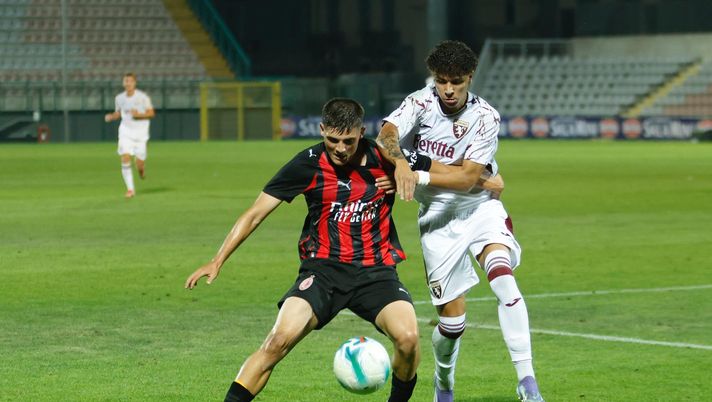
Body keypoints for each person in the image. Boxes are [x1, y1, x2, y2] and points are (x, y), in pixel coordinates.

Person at [185, 98, 421, 402]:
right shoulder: (307, 163)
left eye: (348, 141)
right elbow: (256, 212)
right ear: (322, 130)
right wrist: (217, 260)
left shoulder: (385, 158)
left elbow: (446, 173)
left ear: (361, 133)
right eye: (332, 140)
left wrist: (407, 171)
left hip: (376, 273)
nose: (340, 148)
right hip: (322, 272)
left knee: (409, 339)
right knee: (276, 342)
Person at [375, 40, 545, 402]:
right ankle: (444, 382)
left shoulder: (485, 117)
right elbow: (386, 135)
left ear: (470, 77)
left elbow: (468, 179)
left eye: (457, 81)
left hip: (480, 207)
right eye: (442, 81)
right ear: (434, 78)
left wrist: (415, 167)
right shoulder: (420, 102)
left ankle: (527, 382)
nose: (448, 90)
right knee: (452, 325)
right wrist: (400, 161)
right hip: (437, 220)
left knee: (503, 279)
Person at [104, 72, 155, 198]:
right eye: (125, 81)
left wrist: (139, 115)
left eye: (130, 81)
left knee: (139, 164)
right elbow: (118, 113)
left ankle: (141, 170)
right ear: (123, 83)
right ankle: (130, 189)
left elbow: (151, 113)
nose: (128, 83)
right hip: (125, 132)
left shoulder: (143, 98)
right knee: (125, 157)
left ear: (134, 83)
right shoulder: (119, 98)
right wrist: (111, 116)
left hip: (141, 135)